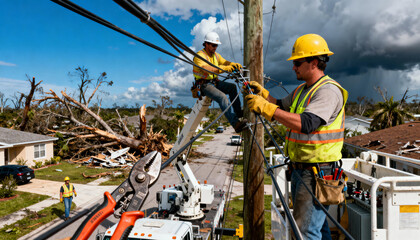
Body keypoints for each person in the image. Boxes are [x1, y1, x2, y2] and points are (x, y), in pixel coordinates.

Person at [245, 33, 348, 239]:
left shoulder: (328, 91)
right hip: (304, 170)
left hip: (317, 173)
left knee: (306, 232)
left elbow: (307, 124)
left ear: (315, 62)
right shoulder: (303, 89)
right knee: (317, 228)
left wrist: (267, 109)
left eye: (298, 62)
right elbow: (281, 105)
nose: (294, 67)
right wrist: (264, 95)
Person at [193, 32, 247, 133]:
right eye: (213, 45)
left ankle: (238, 112)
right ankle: (235, 124)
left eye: (216, 45)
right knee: (222, 97)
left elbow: (225, 62)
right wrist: (226, 68)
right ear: (206, 44)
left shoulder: (216, 56)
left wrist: (233, 64)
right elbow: (206, 69)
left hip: (215, 82)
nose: (215, 47)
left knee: (232, 87)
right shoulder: (199, 56)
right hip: (204, 85)